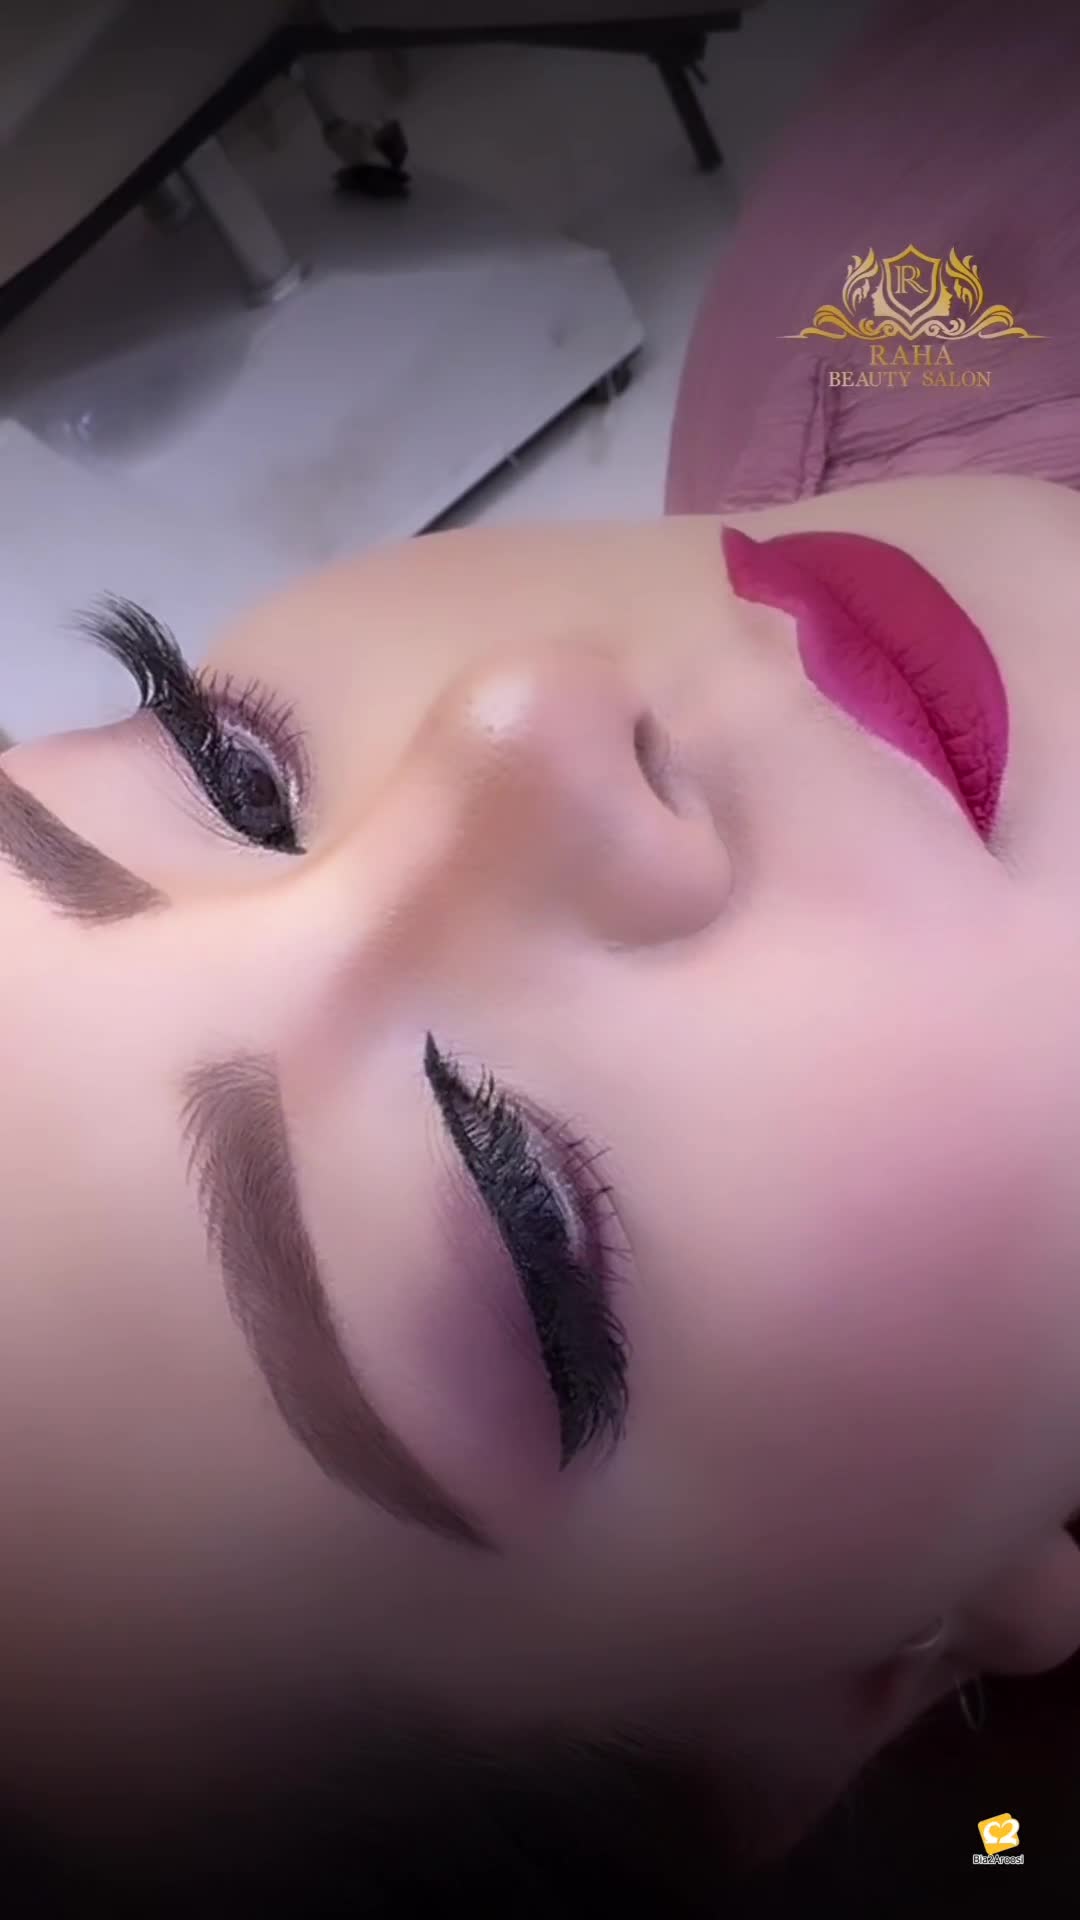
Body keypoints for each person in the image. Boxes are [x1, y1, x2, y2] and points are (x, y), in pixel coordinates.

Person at [3, 469, 1080, 1910]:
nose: (524, 715)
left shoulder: (869, 358)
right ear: (841, 1702)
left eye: (235, 776)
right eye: (528, 1218)